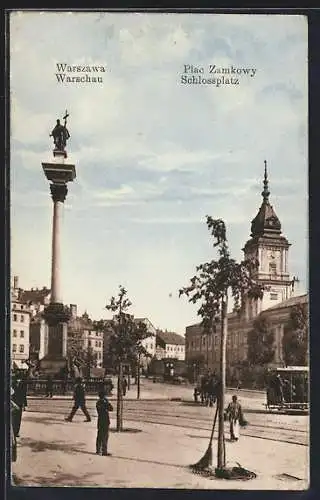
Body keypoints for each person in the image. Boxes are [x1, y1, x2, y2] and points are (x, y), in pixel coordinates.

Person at [96, 389, 113, 456]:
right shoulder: (104, 402)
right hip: (105, 421)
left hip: (100, 421)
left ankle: (98, 450)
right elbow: (111, 408)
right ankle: (104, 451)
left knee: (99, 436)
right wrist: (107, 402)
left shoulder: (98, 403)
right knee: (105, 436)